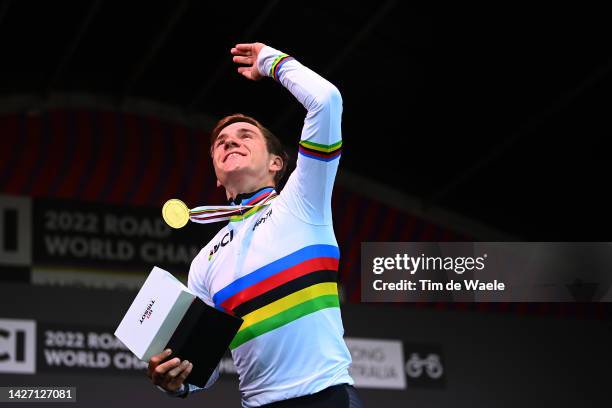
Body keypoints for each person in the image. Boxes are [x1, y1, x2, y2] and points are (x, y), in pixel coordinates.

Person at [147, 42, 362, 407]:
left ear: (278, 163)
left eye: (245, 135)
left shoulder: (302, 202)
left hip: (326, 397)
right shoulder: (205, 262)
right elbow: (204, 364)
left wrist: (271, 62)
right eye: (220, 143)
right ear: (217, 175)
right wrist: (174, 379)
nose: (230, 141)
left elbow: (326, 101)